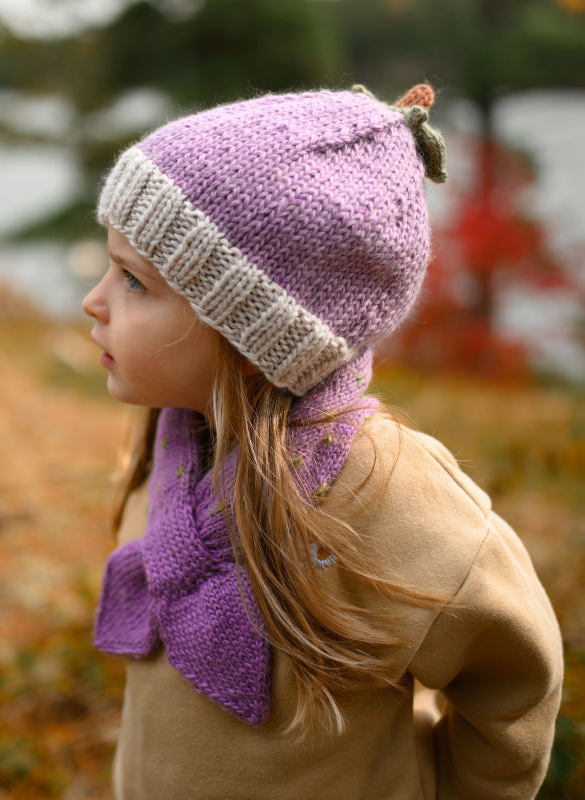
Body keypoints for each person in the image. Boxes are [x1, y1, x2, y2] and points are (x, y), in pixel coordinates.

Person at [82, 83, 563, 800]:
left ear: (251, 336)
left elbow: (517, 677)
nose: (93, 299)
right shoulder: (178, 433)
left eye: (133, 282)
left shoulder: (385, 494)